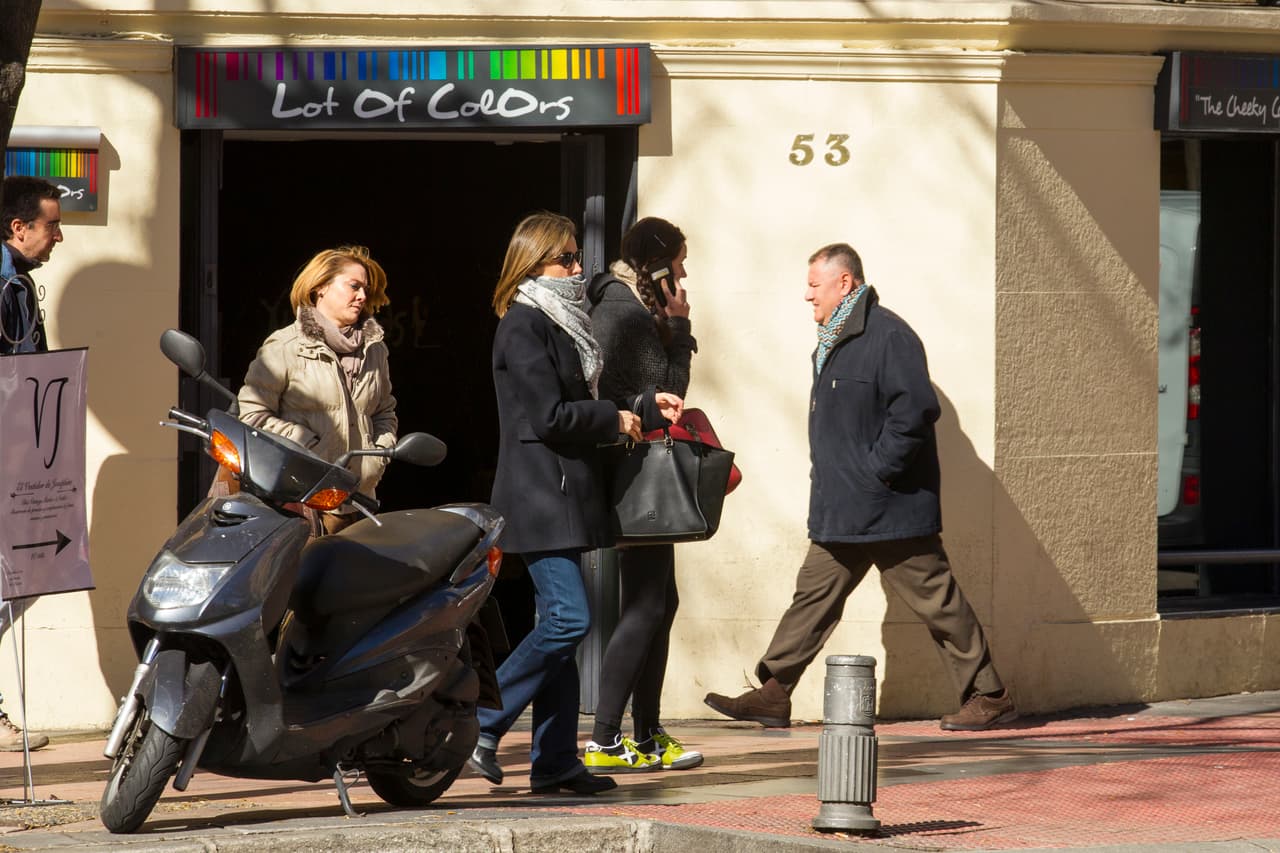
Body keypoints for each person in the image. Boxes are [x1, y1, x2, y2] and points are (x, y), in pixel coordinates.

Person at [704, 243, 1016, 732]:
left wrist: (878, 473)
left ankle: (988, 694)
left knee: (938, 601)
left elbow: (913, 412)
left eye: (814, 284)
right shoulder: (834, 339)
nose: (807, 295)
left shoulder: (888, 336)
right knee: (812, 597)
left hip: (888, 507)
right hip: (842, 507)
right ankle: (774, 692)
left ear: (844, 282)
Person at [467, 211, 683, 795]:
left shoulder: (563, 322)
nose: (576, 266)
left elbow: (574, 403)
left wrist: (641, 404)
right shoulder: (523, 324)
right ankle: (481, 724)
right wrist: (611, 415)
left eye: (575, 256)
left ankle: (556, 761)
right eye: (564, 257)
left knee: (558, 637)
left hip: (567, 494)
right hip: (539, 496)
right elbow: (550, 416)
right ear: (533, 263)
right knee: (568, 620)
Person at [581, 217, 701, 773]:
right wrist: (682, 330)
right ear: (656, 266)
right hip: (634, 475)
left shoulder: (628, 306)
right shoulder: (622, 311)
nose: (682, 272)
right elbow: (666, 393)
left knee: (660, 602)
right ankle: (607, 738)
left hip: (640, 472)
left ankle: (647, 734)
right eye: (677, 262)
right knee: (647, 603)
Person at [237, 245, 397, 534]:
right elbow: (252, 417)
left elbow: (385, 411)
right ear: (321, 287)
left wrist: (378, 454)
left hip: (360, 503)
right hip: (301, 508)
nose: (362, 296)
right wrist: (307, 446)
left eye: (365, 289)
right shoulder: (285, 346)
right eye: (354, 286)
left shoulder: (376, 350)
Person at [0, 176, 63, 751]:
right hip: (8, 455)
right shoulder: (5, 285)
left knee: (26, 573)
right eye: (51, 224)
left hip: (16, 452)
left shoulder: (15, 282)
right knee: (24, 571)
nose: (59, 236)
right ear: (18, 228)